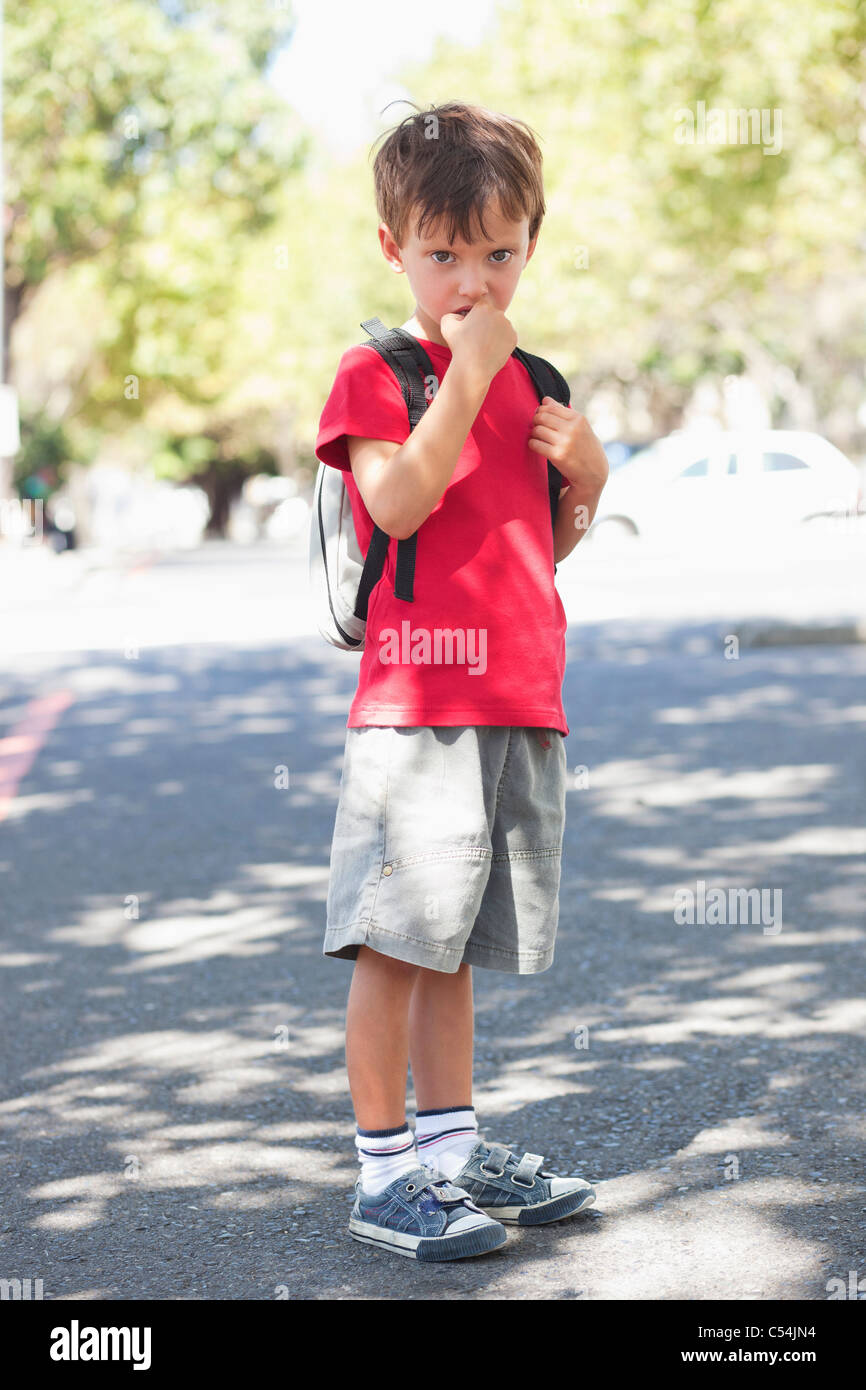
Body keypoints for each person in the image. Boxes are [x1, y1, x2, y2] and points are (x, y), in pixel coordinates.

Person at [314, 101, 610, 1261]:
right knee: (397, 939)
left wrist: (587, 470)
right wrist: (466, 376)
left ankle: (448, 1149)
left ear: (531, 241)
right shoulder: (378, 369)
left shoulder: (533, 374)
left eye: (499, 252)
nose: (472, 280)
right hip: (421, 707)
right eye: (444, 254)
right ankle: (383, 1170)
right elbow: (395, 503)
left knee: (456, 946)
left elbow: (546, 541)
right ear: (394, 247)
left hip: (518, 697)